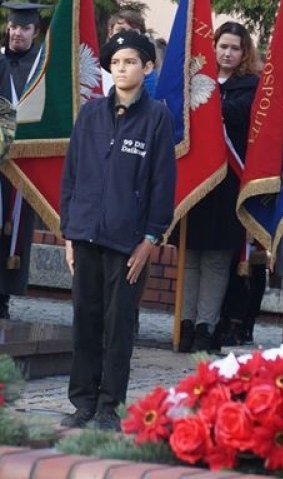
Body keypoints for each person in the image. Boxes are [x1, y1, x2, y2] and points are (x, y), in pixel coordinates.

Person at [60, 29, 175, 431]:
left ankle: (110, 405)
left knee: (119, 323)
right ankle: (83, 402)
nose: (121, 69)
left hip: (128, 242)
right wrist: (68, 233)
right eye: (115, 63)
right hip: (86, 233)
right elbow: (72, 176)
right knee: (85, 319)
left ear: (147, 67)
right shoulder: (91, 113)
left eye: (129, 61)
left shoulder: (158, 117)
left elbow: (163, 184)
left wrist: (149, 240)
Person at [179, 21, 259, 352]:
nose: (227, 53)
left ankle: (205, 327)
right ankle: (184, 323)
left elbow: (238, 117)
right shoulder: (196, 82)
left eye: (234, 48)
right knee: (190, 254)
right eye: (222, 46)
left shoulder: (251, 86)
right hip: (196, 181)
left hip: (228, 182)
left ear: (244, 52)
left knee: (215, 259)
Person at [0, 0, 48, 319]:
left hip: (23, 163)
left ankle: (3, 296)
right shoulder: (0, 60)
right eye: (14, 26)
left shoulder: (42, 66)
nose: (18, 33)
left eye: (25, 27)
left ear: (36, 31)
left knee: (14, 229)